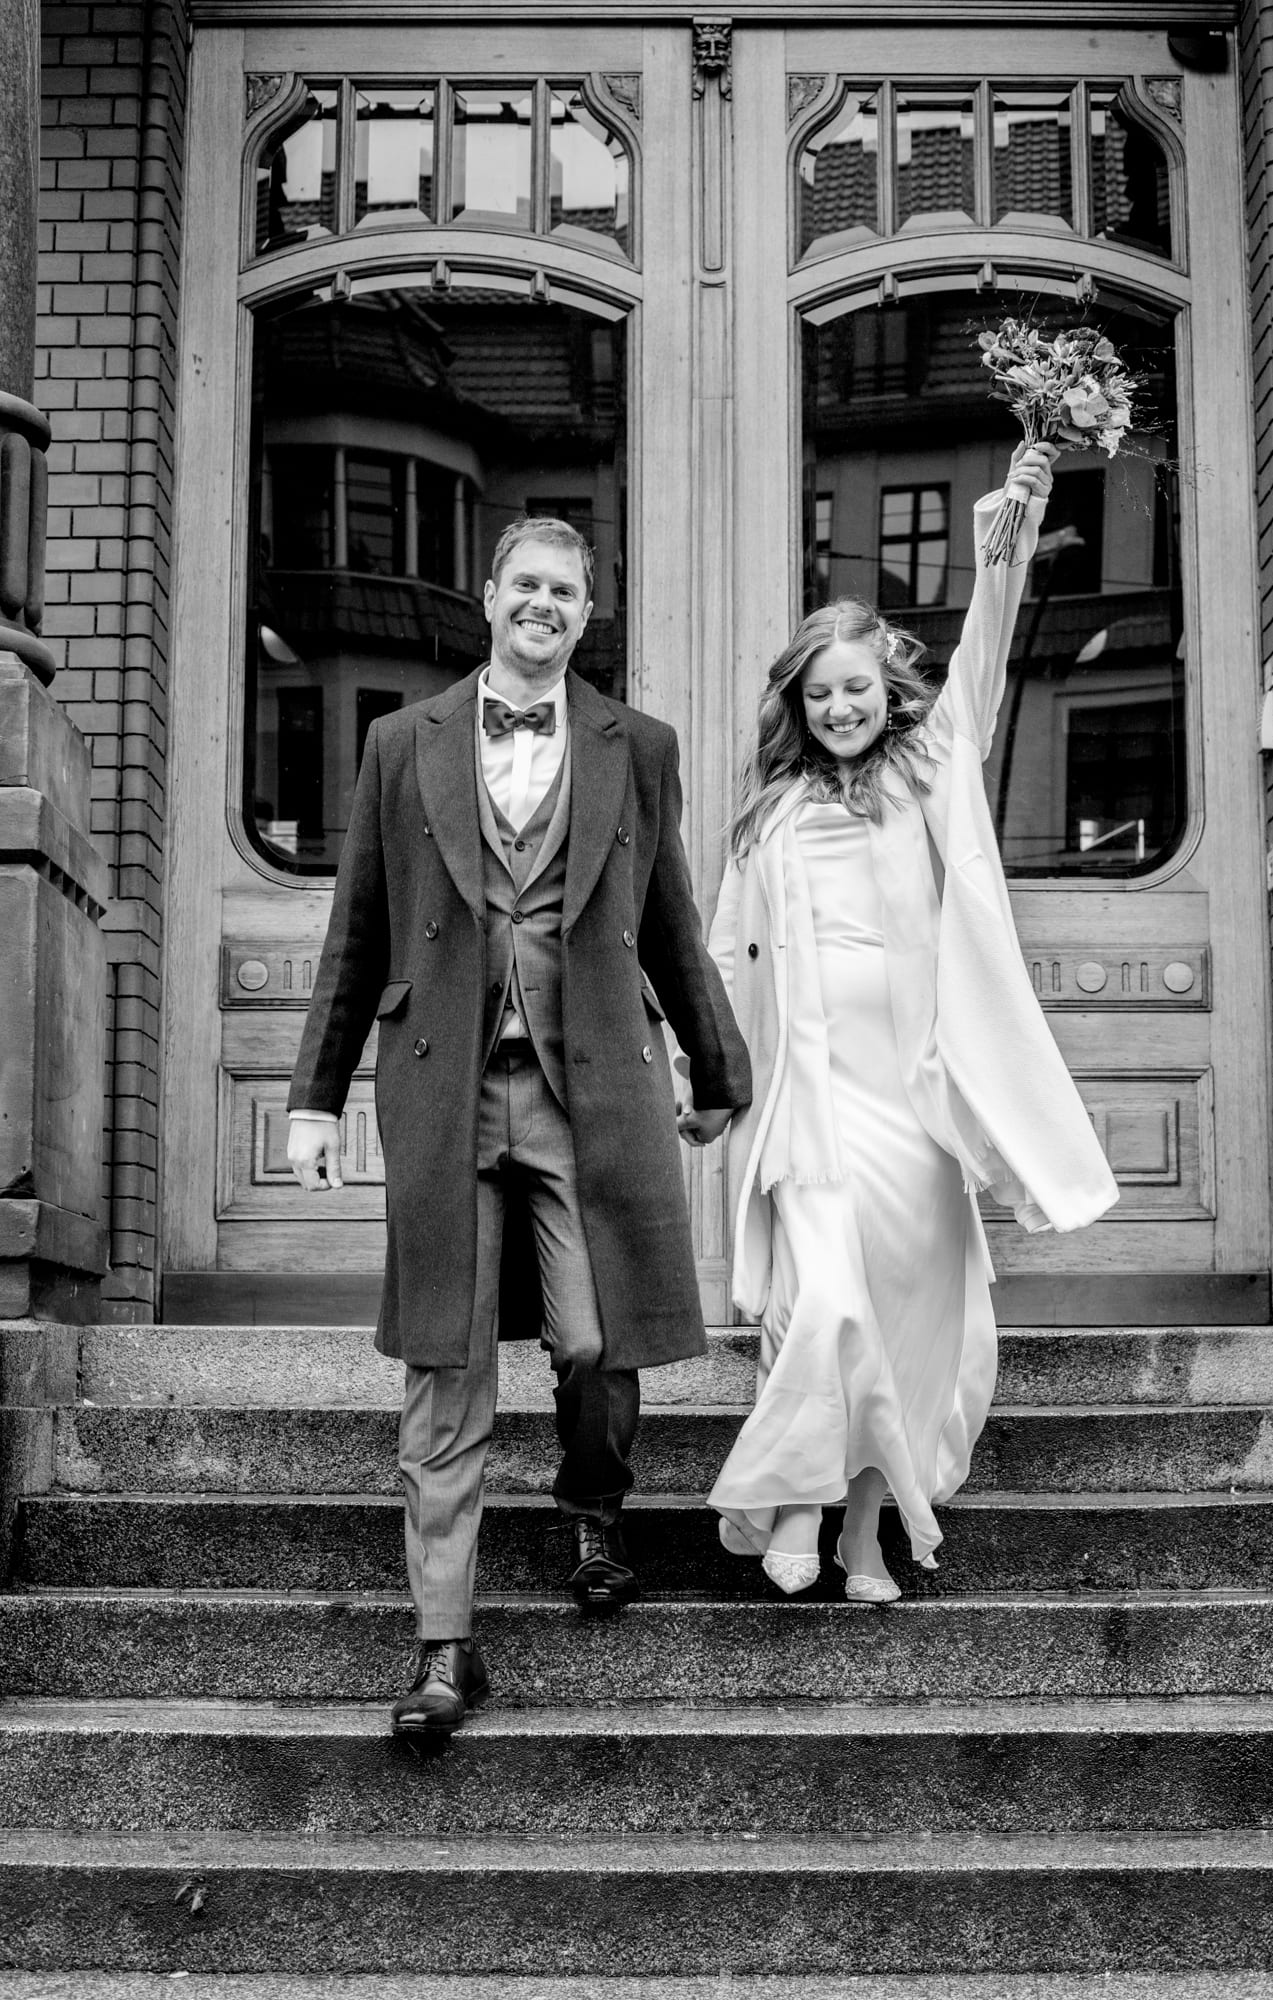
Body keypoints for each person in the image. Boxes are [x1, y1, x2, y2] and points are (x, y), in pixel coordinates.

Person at [286, 516, 750, 1734]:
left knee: (594, 1338)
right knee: (446, 1367)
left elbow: (670, 919)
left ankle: (592, 1500)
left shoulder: (637, 746)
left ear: (586, 615)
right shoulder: (402, 741)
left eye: (565, 591)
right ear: (488, 596)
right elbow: (356, 928)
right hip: (440, 1086)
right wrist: (313, 1098)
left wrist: (717, 1067)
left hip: (586, 1089)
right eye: (525, 585)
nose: (543, 604)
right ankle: (445, 1646)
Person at [697, 443, 1118, 1600]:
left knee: (907, 1324)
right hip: (810, 1103)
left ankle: (862, 1533)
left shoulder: (931, 771)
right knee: (823, 1303)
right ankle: (792, 1498)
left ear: (889, 692)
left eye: (856, 689)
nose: (839, 707)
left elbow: (983, 654)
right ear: (796, 705)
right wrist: (705, 1075)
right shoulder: (767, 818)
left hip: (913, 1103)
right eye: (819, 693)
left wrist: (1011, 528)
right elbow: (722, 958)